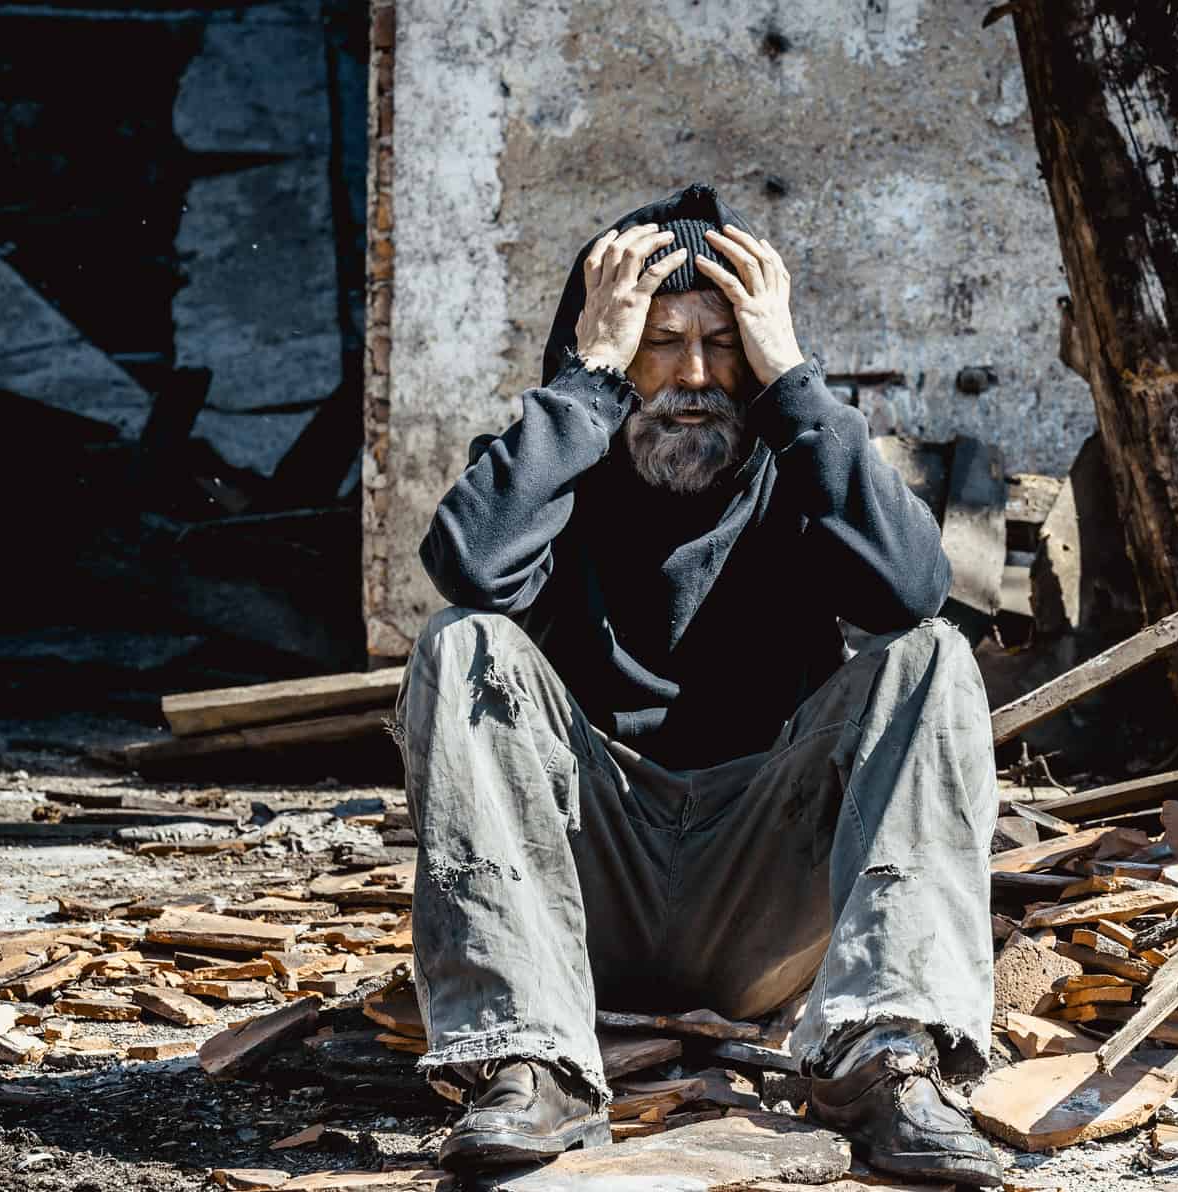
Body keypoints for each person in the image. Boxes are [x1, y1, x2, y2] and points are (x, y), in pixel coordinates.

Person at [394, 183, 1004, 1186]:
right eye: (655, 339)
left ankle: (884, 1058)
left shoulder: (800, 465)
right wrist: (585, 384)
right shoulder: (552, 461)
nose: (690, 375)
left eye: (721, 342)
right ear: (602, 346)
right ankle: (526, 1061)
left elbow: (910, 589)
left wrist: (794, 379)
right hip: (587, 896)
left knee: (928, 654)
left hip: (761, 892)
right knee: (463, 642)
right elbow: (470, 567)